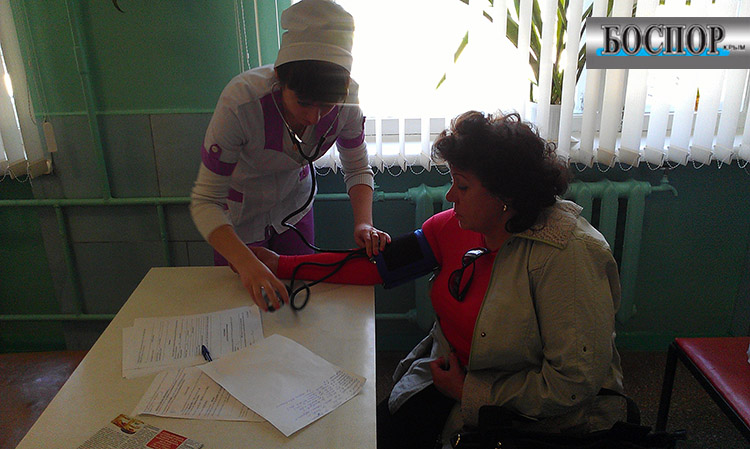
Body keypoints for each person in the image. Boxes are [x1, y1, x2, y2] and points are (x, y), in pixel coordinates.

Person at [251, 110, 626, 448]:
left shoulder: (569, 257)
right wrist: (280, 264)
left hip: (533, 416)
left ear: (505, 195)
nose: (449, 196)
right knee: (365, 436)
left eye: (462, 186)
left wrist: (470, 391)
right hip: (451, 376)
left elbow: (572, 385)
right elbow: (378, 265)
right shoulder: (455, 227)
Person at [190, 0, 391, 312]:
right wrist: (247, 264)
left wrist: (364, 223)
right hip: (238, 218)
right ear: (280, 80)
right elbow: (205, 202)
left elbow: (357, 168)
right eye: (304, 103)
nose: (314, 118)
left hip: (294, 207)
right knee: (244, 308)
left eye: (327, 105)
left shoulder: (348, 103)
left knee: (299, 300)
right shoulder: (241, 103)